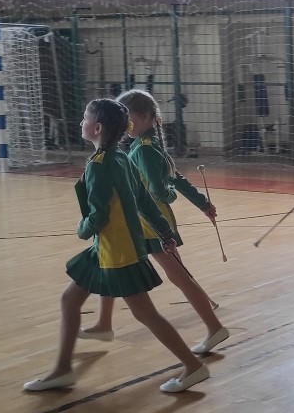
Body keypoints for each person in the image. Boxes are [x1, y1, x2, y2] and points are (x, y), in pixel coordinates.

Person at [23, 98, 209, 393]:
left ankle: (193, 366)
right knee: (70, 300)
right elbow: (145, 201)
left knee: (145, 314)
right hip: (110, 248)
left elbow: (99, 216)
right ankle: (62, 370)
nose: (81, 122)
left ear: (97, 128)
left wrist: (82, 230)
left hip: (118, 252)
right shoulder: (121, 157)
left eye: (85, 118)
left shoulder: (100, 166)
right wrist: (165, 232)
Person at [80, 89, 229, 355]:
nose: (126, 123)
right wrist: (203, 204)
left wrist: (174, 197)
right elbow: (177, 178)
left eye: (129, 117)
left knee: (179, 277)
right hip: (144, 222)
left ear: (146, 117)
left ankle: (214, 327)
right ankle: (103, 323)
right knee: (108, 263)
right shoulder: (147, 145)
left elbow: (160, 191)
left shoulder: (145, 150)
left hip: (151, 224)